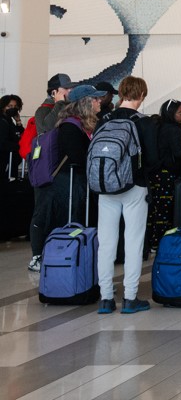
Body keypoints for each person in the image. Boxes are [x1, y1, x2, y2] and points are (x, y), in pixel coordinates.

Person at [96, 76, 157, 315]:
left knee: (106, 243)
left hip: (106, 187)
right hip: (135, 186)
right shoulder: (145, 122)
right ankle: (130, 297)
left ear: (121, 93)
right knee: (133, 241)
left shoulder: (104, 119)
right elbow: (151, 159)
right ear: (141, 95)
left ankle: (106, 299)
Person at [29, 85, 104, 273]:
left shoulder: (81, 124)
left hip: (73, 182)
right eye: (95, 99)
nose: (99, 101)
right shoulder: (70, 126)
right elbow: (77, 156)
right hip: (67, 184)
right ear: (86, 103)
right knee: (69, 221)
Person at [148, 100, 181, 250]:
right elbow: (179, 152)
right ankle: (162, 242)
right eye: (180, 113)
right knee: (166, 210)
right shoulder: (174, 129)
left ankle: (153, 240)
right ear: (171, 113)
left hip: (156, 173)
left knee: (156, 209)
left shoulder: (159, 126)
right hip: (168, 174)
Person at [1, 94, 22, 179]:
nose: (13, 108)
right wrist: (18, 146)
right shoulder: (2, 121)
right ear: (3, 107)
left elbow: (19, 134)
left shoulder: (9, 120)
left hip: (11, 159)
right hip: (4, 160)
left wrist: (18, 122)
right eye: (9, 106)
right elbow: (3, 142)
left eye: (15, 106)